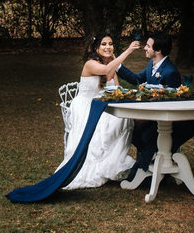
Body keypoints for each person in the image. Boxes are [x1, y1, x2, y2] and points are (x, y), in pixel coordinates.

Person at [56, 34, 141, 190]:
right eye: (103, 44)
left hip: (100, 104)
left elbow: (115, 90)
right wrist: (128, 51)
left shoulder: (110, 66)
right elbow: (107, 69)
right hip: (85, 106)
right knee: (105, 124)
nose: (108, 46)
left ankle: (110, 163)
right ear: (96, 48)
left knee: (123, 119)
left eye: (110, 43)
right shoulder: (90, 64)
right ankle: (97, 164)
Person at [116, 32, 182, 178]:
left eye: (148, 46)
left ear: (157, 51)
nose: (145, 48)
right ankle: (148, 160)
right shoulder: (152, 65)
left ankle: (148, 166)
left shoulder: (170, 72)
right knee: (127, 127)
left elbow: (174, 104)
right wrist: (116, 65)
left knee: (139, 133)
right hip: (150, 115)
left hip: (164, 122)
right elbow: (136, 79)